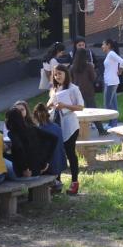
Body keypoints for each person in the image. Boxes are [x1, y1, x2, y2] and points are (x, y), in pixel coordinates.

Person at [48, 64, 84, 195]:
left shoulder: (73, 89)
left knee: (70, 153)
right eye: (55, 74)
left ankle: (74, 182)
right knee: (57, 153)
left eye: (60, 74)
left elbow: (80, 107)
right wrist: (51, 105)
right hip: (56, 123)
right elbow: (49, 104)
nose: (57, 76)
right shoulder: (54, 89)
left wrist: (65, 105)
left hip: (70, 124)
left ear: (66, 74)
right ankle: (57, 182)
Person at [3, 108, 58, 180]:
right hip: (37, 169)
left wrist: (25, 168)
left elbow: (20, 149)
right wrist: (46, 160)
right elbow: (54, 138)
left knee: (3, 163)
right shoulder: (33, 128)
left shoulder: (13, 133)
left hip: (24, 172)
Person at [70, 47, 107, 135]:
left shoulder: (72, 67)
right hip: (88, 91)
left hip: (76, 92)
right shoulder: (88, 66)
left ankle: (76, 131)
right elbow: (93, 78)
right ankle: (101, 130)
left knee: (77, 112)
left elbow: (70, 79)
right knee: (93, 110)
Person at [33, 103, 67, 193]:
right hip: (61, 163)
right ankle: (57, 183)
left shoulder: (40, 130)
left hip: (49, 167)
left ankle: (43, 189)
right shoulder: (57, 127)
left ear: (35, 117)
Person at [101, 38, 123, 130]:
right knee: (113, 104)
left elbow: (122, 62)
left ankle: (112, 124)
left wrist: (120, 71)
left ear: (108, 45)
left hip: (111, 82)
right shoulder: (109, 55)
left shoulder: (111, 54)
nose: (102, 46)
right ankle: (113, 124)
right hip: (110, 82)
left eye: (103, 44)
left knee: (108, 104)